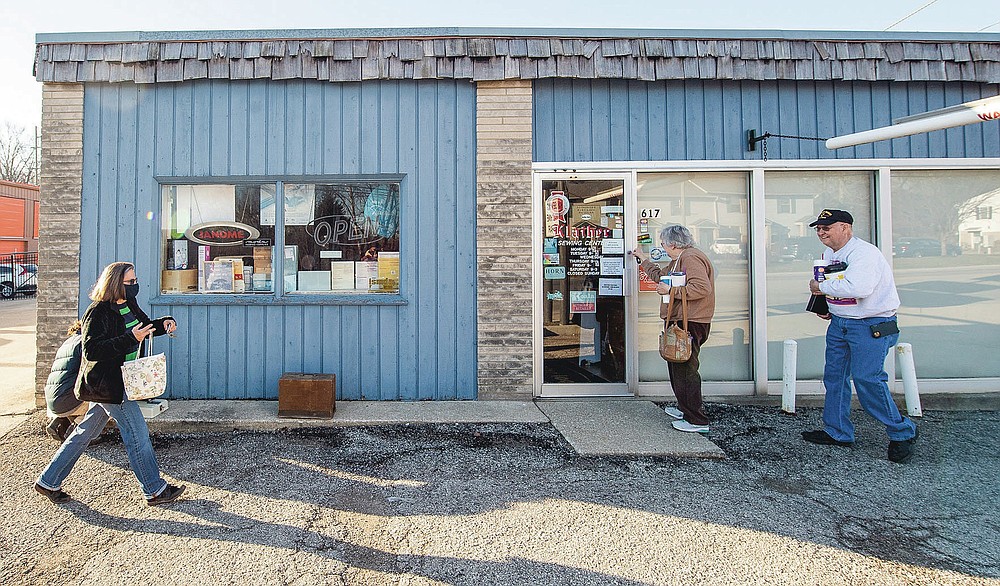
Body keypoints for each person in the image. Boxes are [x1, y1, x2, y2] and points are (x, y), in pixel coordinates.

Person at [35, 262, 187, 505]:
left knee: (85, 433)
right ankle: (155, 490)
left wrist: (163, 324)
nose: (134, 285)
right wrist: (129, 339)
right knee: (137, 434)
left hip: (119, 380)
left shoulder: (129, 304)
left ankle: (48, 481)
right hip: (107, 384)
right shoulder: (98, 312)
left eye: (135, 280)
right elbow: (92, 350)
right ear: (115, 283)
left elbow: (144, 328)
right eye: (130, 282)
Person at [802, 209, 918, 464]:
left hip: (870, 325)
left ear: (845, 227)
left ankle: (902, 432)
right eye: (818, 229)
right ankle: (838, 431)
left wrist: (819, 287)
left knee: (868, 380)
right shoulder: (830, 254)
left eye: (827, 227)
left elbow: (860, 288)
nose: (821, 233)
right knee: (835, 377)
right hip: (841, 323)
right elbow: (839, 286)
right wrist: (828, 307)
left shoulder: (865, 253)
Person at [631, 225, 716, 433]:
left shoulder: (691, 258)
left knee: (685, 369)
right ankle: (686, 409)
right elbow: (661, 276)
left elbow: (702, 288)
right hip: (682, 319)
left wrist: (671, 290)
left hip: (691, 321)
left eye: (663, 243)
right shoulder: (679, 260)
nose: (662, 246)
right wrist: (643, 260)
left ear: (673, 243)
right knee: (678, 366)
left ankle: (697, 420)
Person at [43, 321, 87, 441]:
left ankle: (59, 421)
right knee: (103, 398)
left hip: (52, 399)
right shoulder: (85, 343)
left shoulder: (68, 342)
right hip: (66, 399)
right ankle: (77, 428)